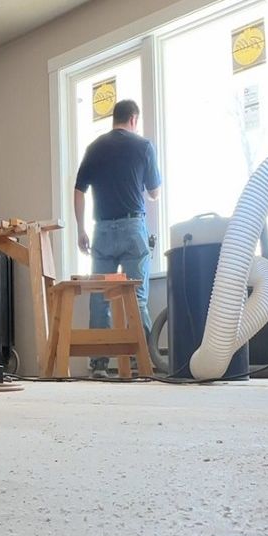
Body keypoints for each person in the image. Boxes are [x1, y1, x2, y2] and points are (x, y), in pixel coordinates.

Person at [73, 99, 161, 378]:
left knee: (100, 298)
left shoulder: (94, 148)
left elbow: (78, 190)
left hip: (102, 231)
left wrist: (80, 229)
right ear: (133, 119)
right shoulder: (143, 146)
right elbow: (155, 192)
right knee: (137, 298)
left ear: (115, 118)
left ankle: (99, 365)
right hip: (133, 226)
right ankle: (140, 363)